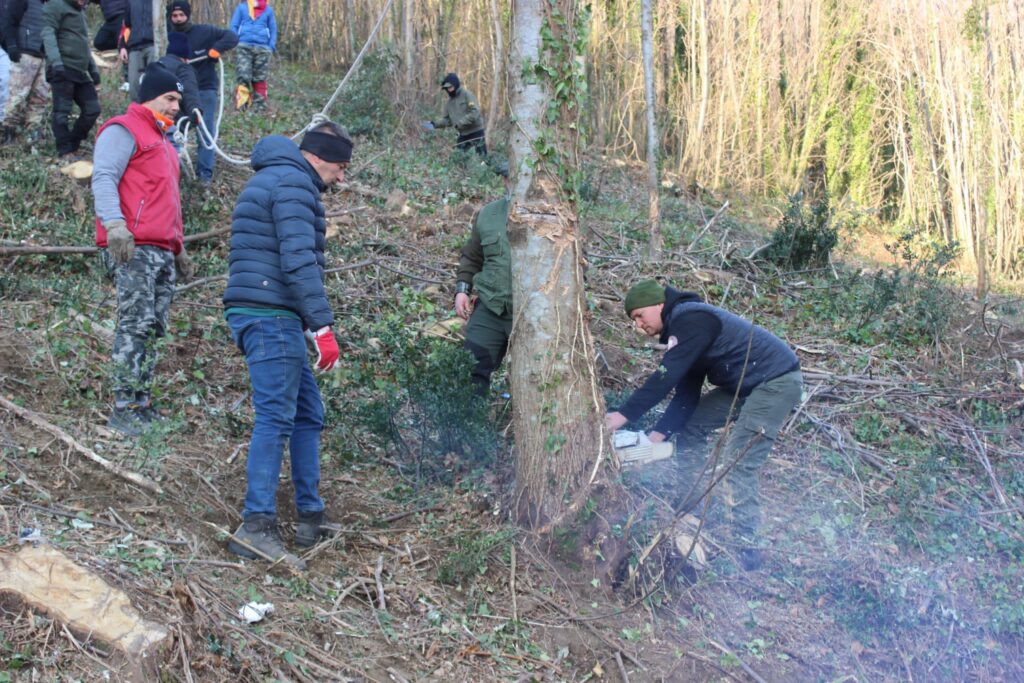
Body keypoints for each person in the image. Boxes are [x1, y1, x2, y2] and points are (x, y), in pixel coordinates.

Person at [222, 121, 352, 568]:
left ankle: (309, 514)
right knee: (277, 415)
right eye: (339, 166)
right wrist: (322, 327)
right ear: (318, 157)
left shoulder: (274, 176)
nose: (341, 177)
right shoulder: (295, 183)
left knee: (307, 413)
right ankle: (255, 526)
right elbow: (298, 259)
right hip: (271, 313)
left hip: (266, 309)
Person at [605, 280, 803, 571]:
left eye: (639, 315)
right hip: (745, 384)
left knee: (739, 461)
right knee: (691, 427)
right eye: (633, 320)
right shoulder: (684, 333)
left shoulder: (691, 318)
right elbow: (686, 395)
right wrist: (654, 439)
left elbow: (664, 377)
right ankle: (688, 510)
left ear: (658, 304)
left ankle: (747, 548)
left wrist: (621, 416)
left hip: (775, 381)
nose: (638, 325)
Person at [92, 64, 192, 436]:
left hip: (162, 250)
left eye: (178, 100)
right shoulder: (123, 129)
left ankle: (141, 402)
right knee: (134, 324)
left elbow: (170, 201)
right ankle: (122, 407)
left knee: (153, 328)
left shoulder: (165, 143)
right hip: (133, 247)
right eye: (169, 98)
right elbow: (104, 176)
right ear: (149, 96)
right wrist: (115, 225)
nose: (175, 106)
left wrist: (179, 247)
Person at [168, 0, 238, 183]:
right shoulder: (166, 35)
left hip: (204, 88)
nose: (178, 19)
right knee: (174, 130)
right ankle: (172, 172)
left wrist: (216, 50)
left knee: (205, 132)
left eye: (181, 15)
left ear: (188, 15)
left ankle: (204, 178)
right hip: (179, 91)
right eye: (174, 16)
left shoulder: (204, 32)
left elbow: (231, 37)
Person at [454, 197, 511, 394]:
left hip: (536, 312)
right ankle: (469, 423)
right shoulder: (489, 214)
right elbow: (472, 256)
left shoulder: (554, 214)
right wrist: (463, 290)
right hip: (491, 305)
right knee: (470, 368)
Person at [41, 0, 101, 157]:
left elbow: (83, 44)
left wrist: (93, 71)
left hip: (80, 71)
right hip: (62, 67)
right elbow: (48, 33)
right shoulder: (55, 5)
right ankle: (65, 150)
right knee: (62, 112)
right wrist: (56, 63)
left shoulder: (80, 12)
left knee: (92, 109)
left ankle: (73, 144)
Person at [1, 0, 50, 140]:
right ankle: (7, 134)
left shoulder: (52, 4)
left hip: (44, 56)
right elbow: (8, 21)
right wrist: (11, 45)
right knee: (17, 96)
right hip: (25, 53)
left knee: (40, 97)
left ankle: (32, 136)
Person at [229, 0, 276, 111]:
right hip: (244, 46)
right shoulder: (242, 8)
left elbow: (273, 28)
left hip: (263, 48)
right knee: (243, 76)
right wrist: (235, 41)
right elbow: (234, 25)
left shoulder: (268, 10)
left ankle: (260, 107)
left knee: (260, 78)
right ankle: (242, 105)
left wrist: (271, 46)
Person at [432, 72, 486, 156]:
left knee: (483, 157)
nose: (449, 90)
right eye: (447, 88)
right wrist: (435, 124)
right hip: (463, 134)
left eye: (451, 87)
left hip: (476, 131)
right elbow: (448, 120)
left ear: (456, 85)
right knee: (458, 157)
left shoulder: (467, 95)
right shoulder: (449, 103)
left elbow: (475, 112)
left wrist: (460, 123)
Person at [154, 32, 200, 129]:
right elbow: (189, 91)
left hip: (148, 119)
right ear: (186, 58)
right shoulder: (183, 68)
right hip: (171, 121)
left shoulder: (155, 66)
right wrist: (195, 111)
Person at [119, 0, 158, 102]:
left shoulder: (159, 2)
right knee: (134, 85)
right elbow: (126, 27)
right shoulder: (131, 2)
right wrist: (122, 46)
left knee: (153, 80)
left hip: (154, 45)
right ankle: (137, 112)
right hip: (134, 47)